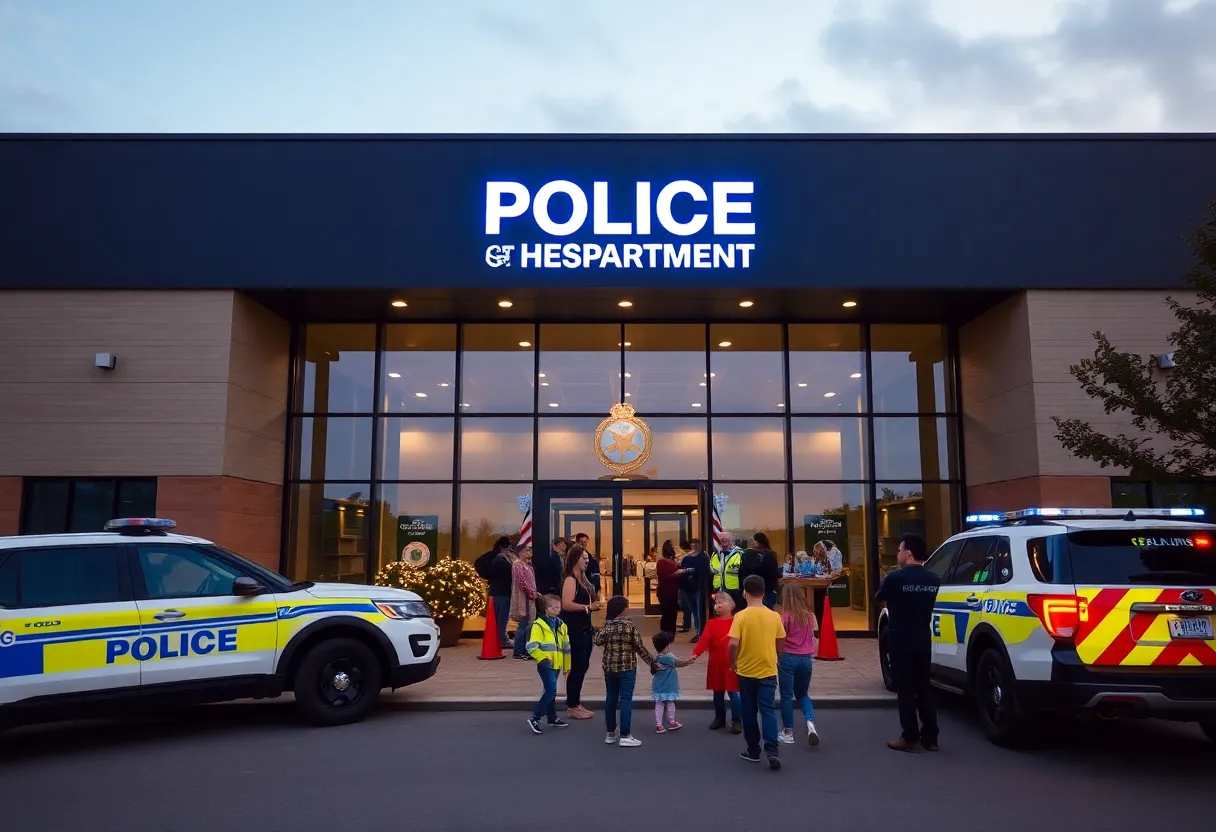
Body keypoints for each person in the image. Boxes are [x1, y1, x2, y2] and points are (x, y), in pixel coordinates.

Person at [875, 534, 941, 753]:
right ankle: (931, 737)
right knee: (924, 687)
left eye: (900, 550)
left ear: (909, 553)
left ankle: (910, 736)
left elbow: (878, 598)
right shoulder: (933, 580)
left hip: (900, 639)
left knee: (905, 689)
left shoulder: (895, 578)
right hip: (923, 638)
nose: (898, 554)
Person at [729, 574, 785, 770]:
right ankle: (772, 751)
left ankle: (753, 750)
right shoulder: (774, 616)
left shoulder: (740, 616)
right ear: (764, 593)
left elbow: (733, 643)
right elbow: (781, 643)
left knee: (749, 711)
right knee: (768, 710)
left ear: (744, 593)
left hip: (745, 671)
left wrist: (733, 663)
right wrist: (773, 655)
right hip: (768, 669)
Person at [592, 595, 656, 747]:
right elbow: (639, 647)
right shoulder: (630, 627)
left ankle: (610, 733)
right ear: (624, 610)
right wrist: (652, 663)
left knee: (611, 699)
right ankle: (625, 735)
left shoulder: (607, 627)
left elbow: (597, 641)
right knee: (626, 699)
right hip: (627, 667)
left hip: (609, 667)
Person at [561, 544, 603, 720]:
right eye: (583, 557)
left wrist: (595, 603)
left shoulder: (582, 579)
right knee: (577, 667)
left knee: (583, 666)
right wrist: (589, 607)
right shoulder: (570, 580)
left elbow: (591, 600)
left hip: (585, 629)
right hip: (574, 629)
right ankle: (572, 705)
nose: (587, 560)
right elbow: (566, 604)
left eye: (587, 557)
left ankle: (576, 703)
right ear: (575, 559)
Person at [776, 581, 820, 747]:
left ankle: (788, 731)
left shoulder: (784, 617)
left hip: (788, 657)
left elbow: (780, 638)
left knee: (786, 696)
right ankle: (810, 723)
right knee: (803, 694)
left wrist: (778, 655)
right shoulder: (809, 615)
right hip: (806, 658)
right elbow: (813, 638)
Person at [692, 590, 742, 734]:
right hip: (716, 663)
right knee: (717, 692)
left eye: (721, 602)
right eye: (716, 603)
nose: (717, 605)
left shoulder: (737, 622)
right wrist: (696, 653)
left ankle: (737, 719)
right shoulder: (711, 623)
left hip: (733, 663)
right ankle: (719, 717)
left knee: (734, 692)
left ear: (731, 605)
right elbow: (704, 640)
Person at [526, 595, 571, 734]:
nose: (558, 610)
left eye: (559, 607)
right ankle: (535, 717)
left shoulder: (561, 625)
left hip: (556, 665)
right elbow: (531, 646)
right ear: (546, 609)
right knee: (551, 690)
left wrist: (567, 667)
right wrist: (543, 658)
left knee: (550, 691)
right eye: (554, 607)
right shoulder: (538, 625)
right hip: (546, 665)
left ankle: (552, 718)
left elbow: (566, 648)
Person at [475, 536, 514, 650]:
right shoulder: (501, 560)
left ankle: (497, 639)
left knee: (496, 618)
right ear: (503, 548)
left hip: (495, 591)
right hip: (502, 593)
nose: (509, 551)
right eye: (508, 548)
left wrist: (489, 577)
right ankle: (502, 640)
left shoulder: (492, 558)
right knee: (502, 618)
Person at [650, 630, 694, 733]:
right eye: (669, 644)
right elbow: (681, 663)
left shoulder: (655, 659)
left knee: (659, 704)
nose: (671, 645)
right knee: (670, 703)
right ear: (666, 646)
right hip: (669, 685)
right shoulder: (670, 658)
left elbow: (652, 672)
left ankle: (659, 724)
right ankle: (672, 721)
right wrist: (690, 661)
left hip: (658, 685)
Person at [655, 540, 691, 634]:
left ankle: (671, 634)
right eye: (671, 549)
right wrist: (676, 574)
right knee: (667, 614)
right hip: (665, 592)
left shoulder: (673, 562)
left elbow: (678, 571)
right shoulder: (661, 563)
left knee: (673, 614)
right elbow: (663, 577)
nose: (672, 551)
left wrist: (683, 572)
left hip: (675, 592)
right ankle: (664, 633)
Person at [511, 544, 540, 660]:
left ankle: (526, 649)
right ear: (521, 552)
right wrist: (532, 593)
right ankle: (518, 650)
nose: (530, 552)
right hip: (523, 599)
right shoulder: (517, 565)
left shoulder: (528, 565)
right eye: (527, 550)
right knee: (523, 625)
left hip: (531, 599)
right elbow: (522, 583)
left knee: (529, 625)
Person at [739, 533, 782, 610]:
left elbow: (773, 574)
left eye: (754, 540)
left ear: (759, 541)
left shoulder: (768, 555)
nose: (752, 542)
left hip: (765, 589)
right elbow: (743, 571)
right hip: (751, 587)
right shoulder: (749, 554)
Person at [679, 538, 711, 641]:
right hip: (688, 588)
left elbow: (706, 573)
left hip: (699, 588)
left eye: (696, 544)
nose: (694, 546)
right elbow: (682, 571)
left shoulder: (704, 557)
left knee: (698, 611)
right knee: (693, 610)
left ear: (699, 545)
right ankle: (698, 631)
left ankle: (700, 633)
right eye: (692, 544)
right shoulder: (686, 558)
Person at [710, 542, 743, 612]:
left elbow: (742, 571)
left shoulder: (739, 553)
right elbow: (711, 569)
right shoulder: (715, 554)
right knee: (721, 611)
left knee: (735, 611)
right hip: (718, 587)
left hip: (734, 588)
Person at [573, 532, 601, 597]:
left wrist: (593, 590)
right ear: (577, 542)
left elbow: (596, 578)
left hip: (586, 592)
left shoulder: (592, 560)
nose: (583, 543)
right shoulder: (570, 558)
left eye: (585, 542)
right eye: (581, 541)